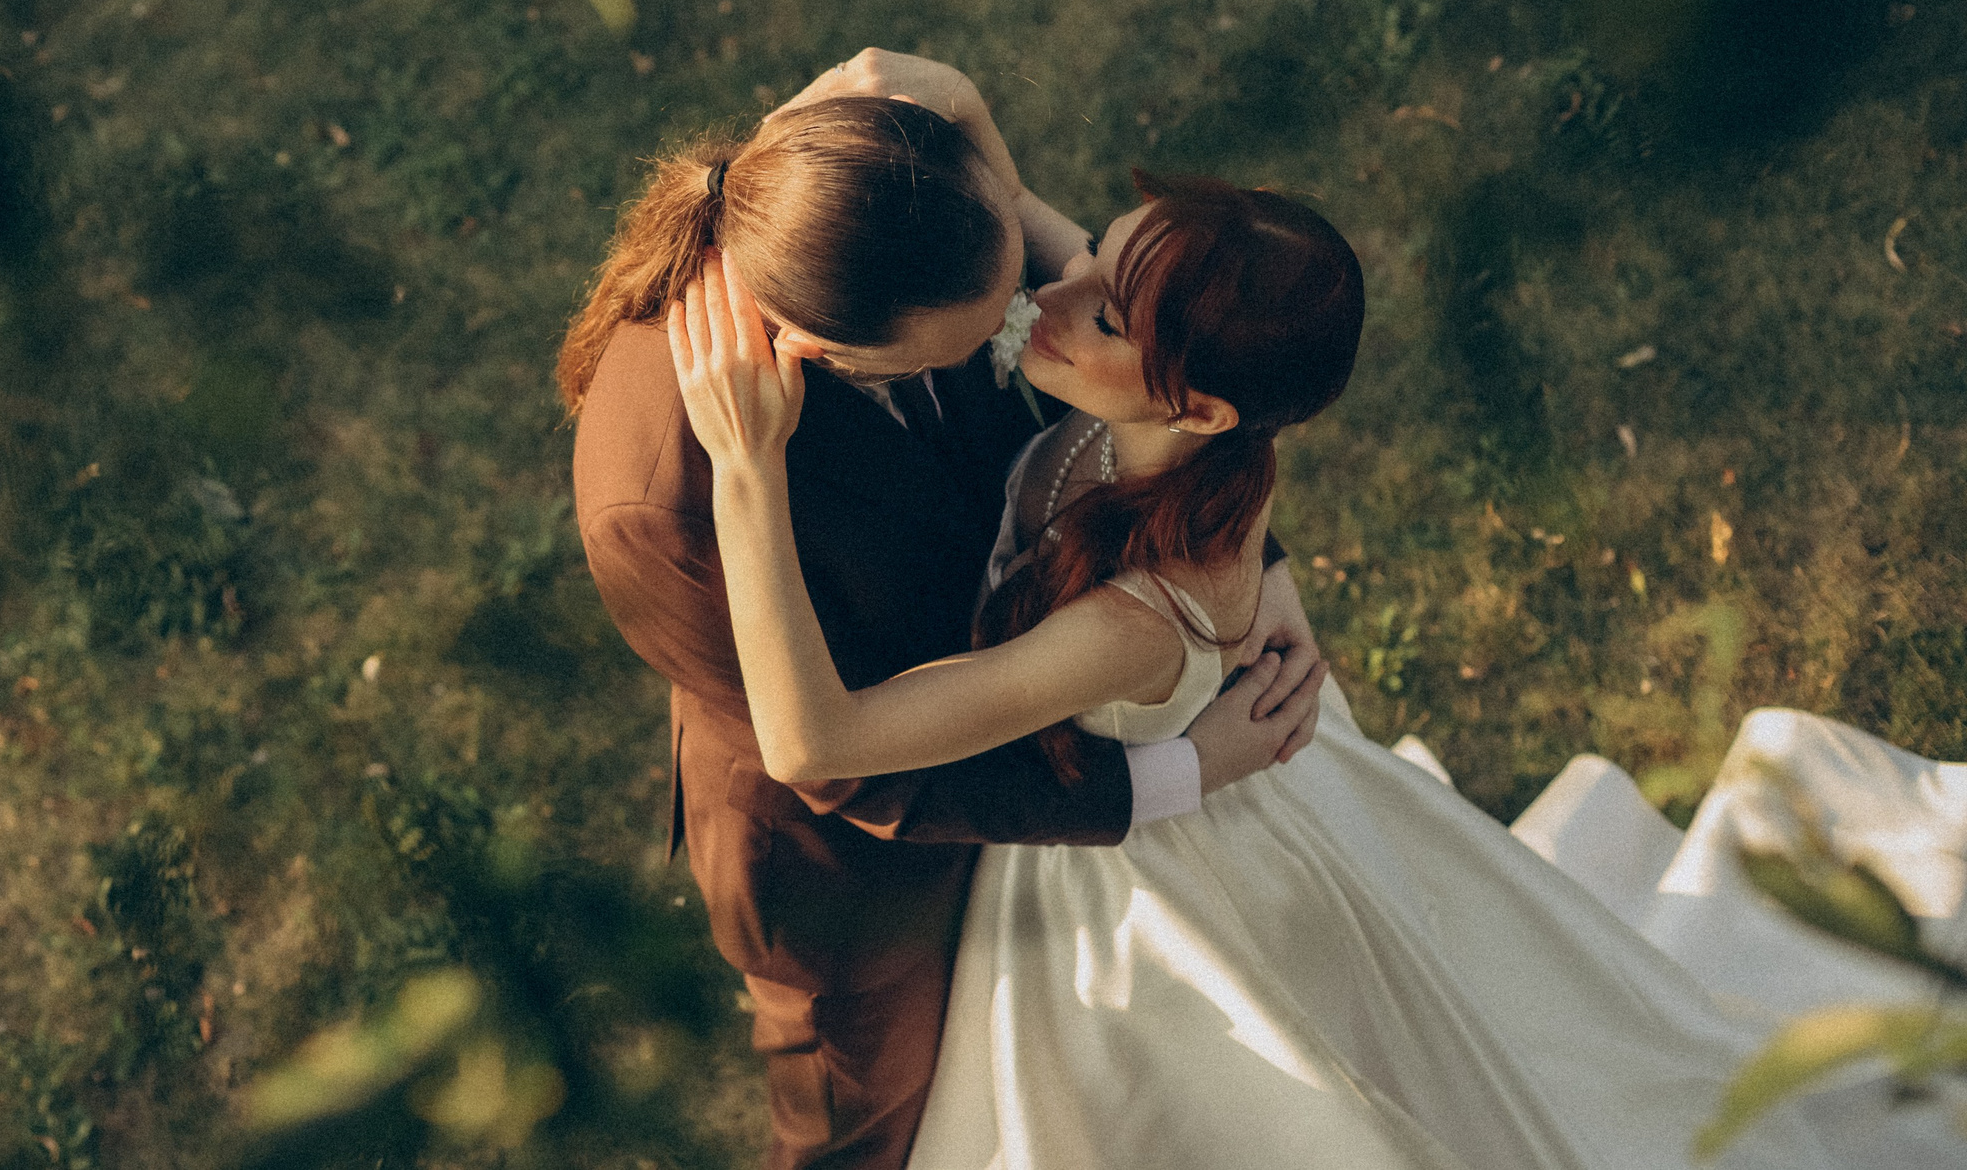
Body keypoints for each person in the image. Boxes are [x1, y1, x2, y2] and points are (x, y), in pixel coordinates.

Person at [668, 177, 1922, 1169]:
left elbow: (818, 743)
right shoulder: (1181, 429)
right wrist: (862, 112)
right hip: (1239, 800)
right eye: (1101, 248)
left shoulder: (1125, 620)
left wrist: (743, 466)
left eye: (1102, 311)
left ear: (1202, 408)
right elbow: (970, 131)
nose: (1053, 289)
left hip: (1146, 906)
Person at [563, 58, 1328, 1170]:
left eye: (1035, 280)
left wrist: (1238, 560)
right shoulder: (667, 501)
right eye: (978, 340)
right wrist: (1174, 771)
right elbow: (830, 760)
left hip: (1036, 729)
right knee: (865, 1141)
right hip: (856, 878)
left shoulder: (919, 221)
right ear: (835, 351)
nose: (1030, 326)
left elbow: (1179, 372)